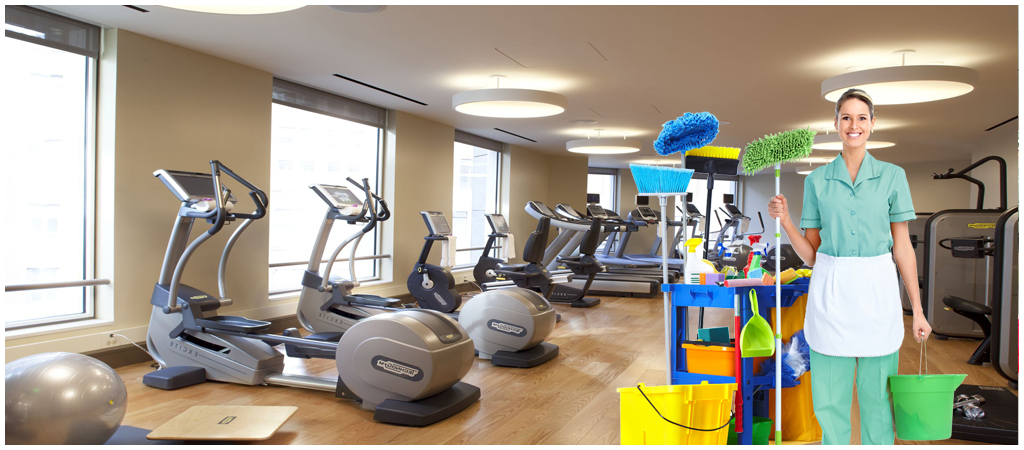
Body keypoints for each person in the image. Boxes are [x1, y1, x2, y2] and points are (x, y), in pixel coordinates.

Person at [766, 88, 931, 445]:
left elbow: (902, 247)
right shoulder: (817, 181)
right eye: (846, 118)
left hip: (877, 293)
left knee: (878, 401)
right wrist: (787, 221)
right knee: (829, 403)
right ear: (836, 123)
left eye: (861, 118)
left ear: (872, 123)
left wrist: (917, 310)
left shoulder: (893, 176)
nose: (853, 125)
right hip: (832, 293)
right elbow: (812, 255)